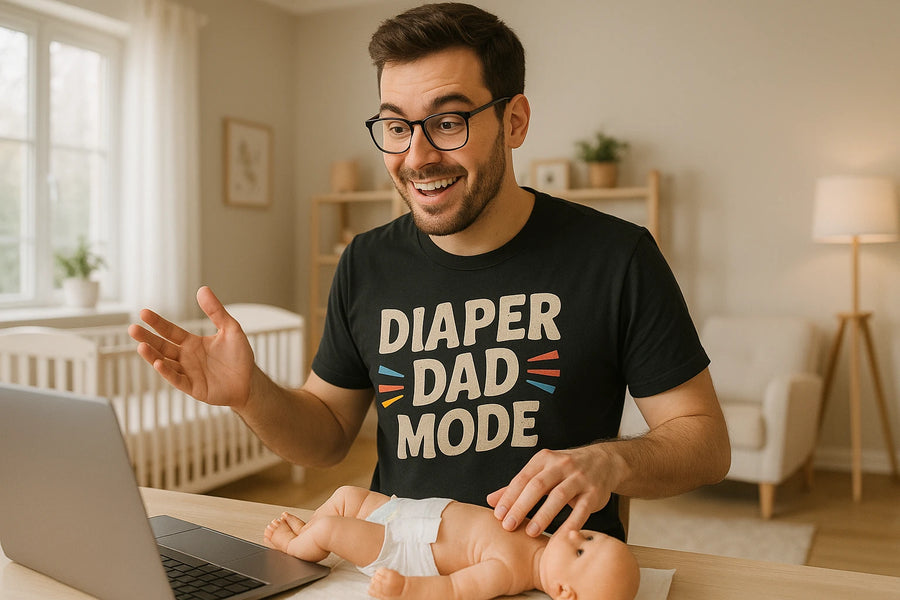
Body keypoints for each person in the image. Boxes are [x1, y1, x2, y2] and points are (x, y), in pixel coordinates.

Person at [130, 2, 729, 543]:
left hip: (554, 575)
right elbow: (326, 436)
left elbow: (705, 441)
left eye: (448, 122)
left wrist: (611, 462)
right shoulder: (365, 261)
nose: (416, 156)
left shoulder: (615, 256)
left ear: (514, 121)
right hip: (399, 567)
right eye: (396, 126)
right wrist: (250, 393)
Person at [262, 485, 639, 600]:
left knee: (333, 531)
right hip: (408, 511)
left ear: (562, 591)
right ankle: (307, 532)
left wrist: (405, 587)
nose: (573, 532)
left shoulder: (510, 572)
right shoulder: (539, 534)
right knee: (344, 496)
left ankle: (294, 546)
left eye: (580, 549)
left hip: (399, 546)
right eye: (589, 534)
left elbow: (456, 589)